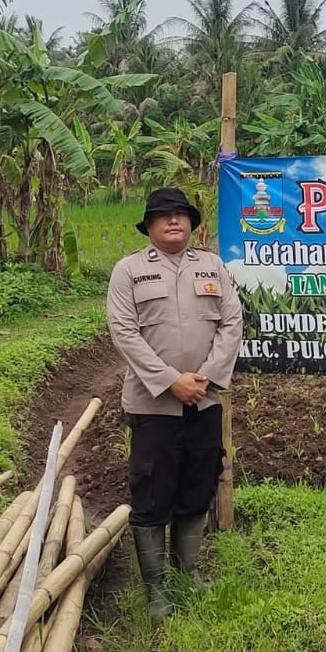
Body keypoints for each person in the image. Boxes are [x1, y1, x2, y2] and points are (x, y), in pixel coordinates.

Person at [107, 186, 243, 625]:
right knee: (151, 490)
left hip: (205, 400)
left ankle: (188, 573)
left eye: (181, 214)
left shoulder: (213, 266)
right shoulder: (129, 271)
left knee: (197, 484)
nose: (173, 220)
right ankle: (156, 589)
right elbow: (124, 333)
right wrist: (171, 381)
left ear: (191, 223)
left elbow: (232, 323)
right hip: (153, 405)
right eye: (163, 215)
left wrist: (207, 377)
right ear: (148, 225)